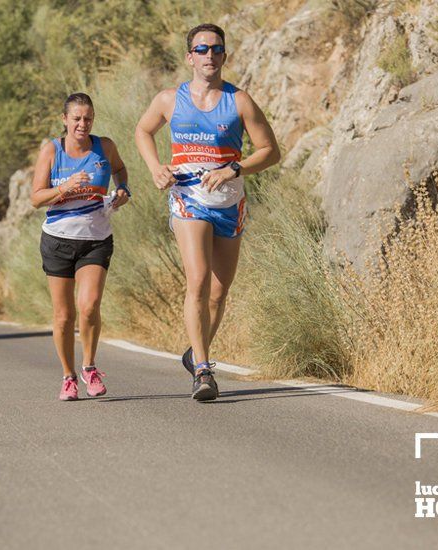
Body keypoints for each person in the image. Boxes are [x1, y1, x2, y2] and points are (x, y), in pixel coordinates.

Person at [135, 23, 280, 401]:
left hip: (229, 203)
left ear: (224, 56)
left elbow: (270, 150)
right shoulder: (170, 99)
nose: (209, 55)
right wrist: (154, 168)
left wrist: (234, 168)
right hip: (188, 199)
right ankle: (202, 369)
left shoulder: (240, 101)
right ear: (190, 57)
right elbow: (142, 131)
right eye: (201, 49)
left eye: (216, 49)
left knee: (219, 292)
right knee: (197, 281)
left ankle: (195, 350)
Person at [31, 92, 131, 401]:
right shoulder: (52, 150)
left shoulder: (105, 147)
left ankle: (89, 367)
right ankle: (68, 376)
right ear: (64, 120)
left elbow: (120, 169)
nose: (82, 124)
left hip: (96, 239)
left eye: (87, 118)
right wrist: (64, 187)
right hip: (58, 240)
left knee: (89, 306)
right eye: (76, 118)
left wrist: (122, 190)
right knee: (64, 316)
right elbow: (36, 198)